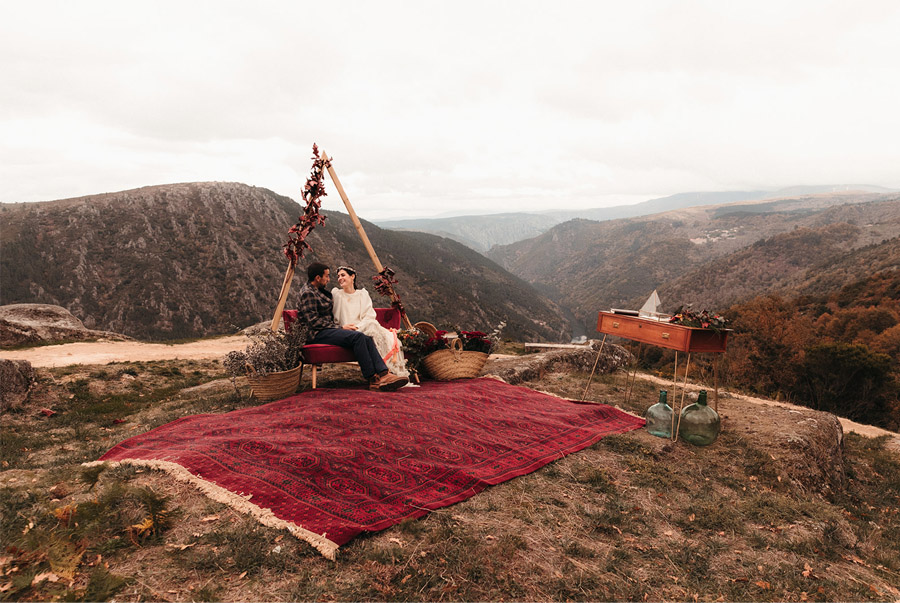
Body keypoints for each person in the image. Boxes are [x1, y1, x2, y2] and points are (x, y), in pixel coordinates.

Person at [297, 262, 408, 391]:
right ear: (317, 278)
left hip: (326, 330)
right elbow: (313, 322)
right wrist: (340, 328)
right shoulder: (308, 293)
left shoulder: (317, 291)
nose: (329, 279)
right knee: (358, 337)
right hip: (316, 334)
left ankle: (383, 374)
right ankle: (373, 378)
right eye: (326, 276)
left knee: (366, 338)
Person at [332, 265, 410, 379]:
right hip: (347, 330)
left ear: (352, 276)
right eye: (338, 276)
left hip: (364, 327)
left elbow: (369, 316)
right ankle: (383, 372)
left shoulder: (362, 294)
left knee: (373, 326)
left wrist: (358, 327)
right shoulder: (337, 294)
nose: (339, 278)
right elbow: (334, 317)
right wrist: (343, 327)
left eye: (343, 275)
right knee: (371, 328)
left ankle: (388, 371)